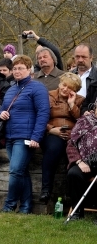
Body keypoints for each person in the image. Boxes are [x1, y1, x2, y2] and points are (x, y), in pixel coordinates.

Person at [0, 55, 50, 214]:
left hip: (26, 136)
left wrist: (36, 137)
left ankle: (9, 205)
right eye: (14, 68)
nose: (17, 71)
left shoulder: (37, 87)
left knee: (14, 170)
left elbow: (43, 112)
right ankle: (26, 206)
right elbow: (2, 109)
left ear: (29, 70)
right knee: (21, 171)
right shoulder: (11, 89)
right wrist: (1, 114)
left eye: (21, 68)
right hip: (10, 135)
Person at [39, 73, 84, 204]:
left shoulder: (80, 100)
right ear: (59, 83)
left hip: (72, 134)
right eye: (64, 85)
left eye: (70, 87)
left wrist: (71, 104)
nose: (65, 89)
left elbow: (80, 120)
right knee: (54, 148)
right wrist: (51, 129)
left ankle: (74, 196)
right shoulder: (49, 95)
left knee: (76, 154)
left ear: (75, 90)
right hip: (52, 132)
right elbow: (41, 116)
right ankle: (46, 189)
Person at [64, 106, 97, 220]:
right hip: (85, 161)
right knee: (73, 174)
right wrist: (79, 161)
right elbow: (71, 144)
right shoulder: (83, 121)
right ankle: (77, 212)